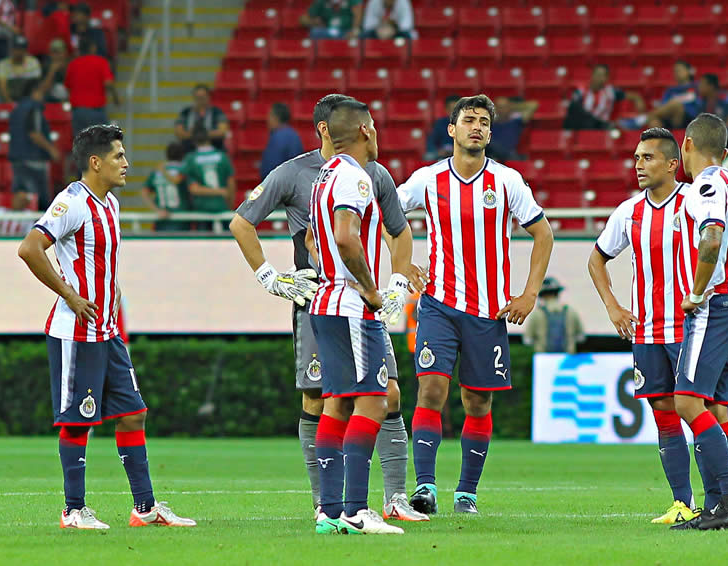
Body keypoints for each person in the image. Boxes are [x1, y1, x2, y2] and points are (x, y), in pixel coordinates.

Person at [229, 93, 428, 524]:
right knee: (334, 397)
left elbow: (399, 231)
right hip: (336, 299)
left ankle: (379, 500)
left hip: (343, 301)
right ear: (350, 130)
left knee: (377, 393)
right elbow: (245, 222)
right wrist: (269, 277)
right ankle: (341, 505)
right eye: (372, 125)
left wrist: (396, 280)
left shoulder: (362, 174)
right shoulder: (308, 174)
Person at [16, 124, 195, 529]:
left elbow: (101, 264)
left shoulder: (110, 204)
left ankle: (145, 508)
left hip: (107, 332)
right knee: (77, 421)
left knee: (133, 413)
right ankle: (73, 511)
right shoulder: (72, 202)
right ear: (95, 162)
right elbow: (29, 248)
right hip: (76, 333)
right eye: (118, 156)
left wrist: (110, 294)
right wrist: (70, 295)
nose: (126, 163)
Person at [397, 94, 554, 515]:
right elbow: (386, 214)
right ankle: (425, 487)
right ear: (451, 130)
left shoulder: (507, 181)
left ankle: (466, 492)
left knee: (478, 402)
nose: (477, 127)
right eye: (468, 120)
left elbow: (544, 234)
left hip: (488, 311)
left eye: (484, 121)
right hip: (439, 304)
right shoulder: (428, 179)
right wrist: (402, 264)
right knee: (431, 388)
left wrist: (529, 293)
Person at [587, 127, 697, 525]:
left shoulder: (694, 202)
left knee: (706, 409)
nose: (638, 165)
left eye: (647, 158)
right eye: (636, 158)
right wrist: (614, 307)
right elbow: (596, 259)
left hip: (691, 329)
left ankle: (726, 495)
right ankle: (682, 502)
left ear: (672, 164)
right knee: (664, 412)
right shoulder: (629, 211)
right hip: (648, 332)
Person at [306, 98, 405, 535]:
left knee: (338, 402)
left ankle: (329, 511)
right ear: (365, 131)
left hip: (324, 301)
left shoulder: (324, 177)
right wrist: (368, 287)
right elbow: (347, 237)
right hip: (349, 303)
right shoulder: (355, 178)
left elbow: (315, 238)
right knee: (374, 399)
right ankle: (356, 509)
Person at [670, 113, 728, 530]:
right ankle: (716, 505)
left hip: (711, 308)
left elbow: (711, 236)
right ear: (725, 152)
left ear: (685, 145)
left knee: (687, 401)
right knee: (715, 407)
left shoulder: (705, 185)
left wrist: (698, 292)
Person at [8, 83, 61, 211]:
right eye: (41, 92)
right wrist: (52, 150)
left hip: (17, 160)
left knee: (21, 196)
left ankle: (16, 228)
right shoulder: (34, 108)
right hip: (33, 161)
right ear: (34, 92)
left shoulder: (17, 109)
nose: (43, 96)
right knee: (38, 202)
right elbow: (34, 134)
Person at [563, 64, 646, 130]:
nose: (599, 78)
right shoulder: (581, 91)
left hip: (601, 127)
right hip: (583, 125)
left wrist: (639, 101)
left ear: (606, 78)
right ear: (592, 75)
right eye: (597, 74)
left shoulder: (610, 92)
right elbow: (574, 110)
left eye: (602, 75)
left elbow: (634, 96)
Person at [65, 37, 117, 136]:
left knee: (82, 146)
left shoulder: (73, 64)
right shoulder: (101, 62)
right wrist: (115, 98)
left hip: (78, 112)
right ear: (93, 48)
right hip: (95, 111)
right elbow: (108, 83)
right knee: (101, 145)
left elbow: (68, 87)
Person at [181, 126, 235, 224]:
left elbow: (193, 188)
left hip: (201, 209)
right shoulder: (222, 156)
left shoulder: (191, 159)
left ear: (193, 141)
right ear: (209, 138)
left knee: (204, 239)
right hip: (222, 206)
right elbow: (231, 183)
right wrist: (228, 202)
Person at [523, 277, 584, 354]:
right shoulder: (571, 312)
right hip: (567, 359)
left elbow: (527, 340)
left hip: (543, 359)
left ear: (542, 295)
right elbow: (581, 337)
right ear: (557, 293)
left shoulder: (537, 314)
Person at [142, 141, 189, 231]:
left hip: (161, 219)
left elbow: (144, 193)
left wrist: (157, 210)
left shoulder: (157, 171)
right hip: (182, 219)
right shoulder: (184, 168)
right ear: (182, 155)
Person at [174, 84, 229, 154]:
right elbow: (179, 133)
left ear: (208, 97)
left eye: (202, 97)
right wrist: (202, 135)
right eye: (198, 98)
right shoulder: (185, 112)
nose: (200, 100)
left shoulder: (217, 112)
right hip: (190, 150)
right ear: (194, 98)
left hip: (214, 149)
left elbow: (222, 132)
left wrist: (199, 135)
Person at [486, 95, 538, 162]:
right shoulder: (490, 122)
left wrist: (512, 106)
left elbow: (533, 105)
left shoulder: (516, 121)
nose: (502, 110)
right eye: (499, 107)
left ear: (510, 108)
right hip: (492, 154)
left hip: (510, 155)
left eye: (504, 107)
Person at [259, 102, 304, 179]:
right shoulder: (294, 134)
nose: (267, 119)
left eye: (270, 115)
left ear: (275, 117)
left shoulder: (277, 137)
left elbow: (270, 168)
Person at [0, 35, 42, 103]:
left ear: (26, 50)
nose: (19, 52)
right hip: (6, 95)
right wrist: (9, 101)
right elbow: (2, 87)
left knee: (39, 98)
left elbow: (36, 85)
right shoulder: (2, 64)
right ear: (11, 49)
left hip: (25, 96)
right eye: (16, 48)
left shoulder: (33, 62)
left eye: (22, 49)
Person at [424, 94, 459, 161]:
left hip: (461, 155)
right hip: (442, 154)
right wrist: (439, 151)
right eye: (451, 110)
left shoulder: (467, 125)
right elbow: (431, 142)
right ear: (446, 110)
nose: (454, 113)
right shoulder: (440, 123)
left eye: (456, 110)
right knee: (428, 156)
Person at [39, 38, 69, 103]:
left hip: (70, 101)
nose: (57, 56)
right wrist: (52, 71)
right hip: (51, 100)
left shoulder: (71, 65)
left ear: (65, 52)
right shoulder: (46, 66)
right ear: (50, 54)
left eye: (59, 52)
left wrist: (64, 70)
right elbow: (42, 90)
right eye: (54, 53)